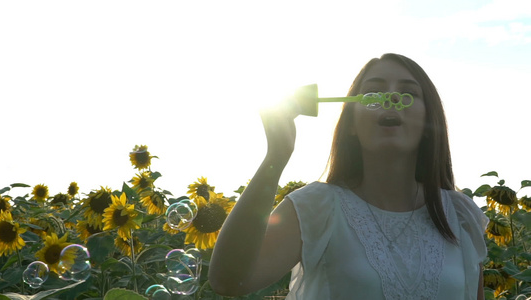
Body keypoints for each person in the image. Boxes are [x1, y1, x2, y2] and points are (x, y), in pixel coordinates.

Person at [208, 53, 489, 300]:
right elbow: (229, 280)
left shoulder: (460, 215)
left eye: (408, 93)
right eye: (372, 92)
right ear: (352, 125)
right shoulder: (317, 207)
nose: (390, 98)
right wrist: (276, 157)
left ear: (429, 124)